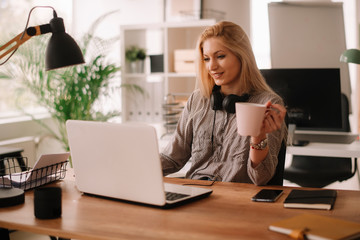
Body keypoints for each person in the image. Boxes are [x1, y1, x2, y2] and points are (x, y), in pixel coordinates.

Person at [160, 21, 287, 185]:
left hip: (235, 201)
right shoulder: (198, 100)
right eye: (206, 59)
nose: (211, 66)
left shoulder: (266, 103)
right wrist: (131, 168)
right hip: (195, 192)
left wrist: (258, 136)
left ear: (242, 56)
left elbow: (261, 178)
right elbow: (173, 157)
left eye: (220, 56)